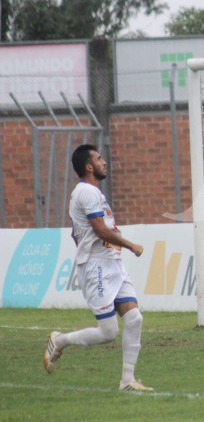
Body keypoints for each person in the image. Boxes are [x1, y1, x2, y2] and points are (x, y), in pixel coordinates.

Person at [43, 144, 153, 392]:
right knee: (108, 332)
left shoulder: (92, 193)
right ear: (89, 166)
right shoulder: (86, 193)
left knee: (134, 317)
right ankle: (60, 340)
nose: (105, 162)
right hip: (97, 267)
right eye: (99, 158)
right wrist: (130, 244)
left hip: (112, 262)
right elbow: (100, 230)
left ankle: (127, 380)